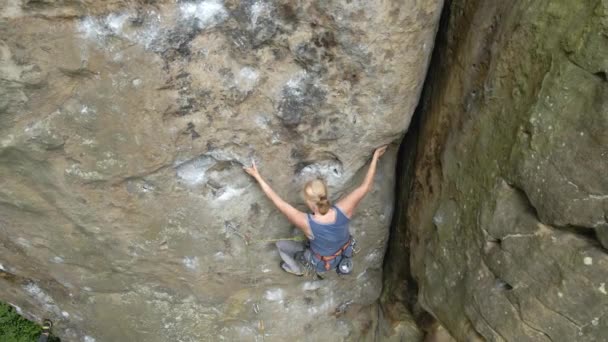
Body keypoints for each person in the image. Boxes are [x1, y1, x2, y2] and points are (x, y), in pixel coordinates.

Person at [243, 145, 388, 276]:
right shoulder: (343, 210)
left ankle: (296, 269)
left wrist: (257, 176)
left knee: (281, 245)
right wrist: (375, 157)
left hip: (321, 264)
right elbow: (365, 187)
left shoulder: (306, 222)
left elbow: (278, 202)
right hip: (342, 254)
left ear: (309, 203)